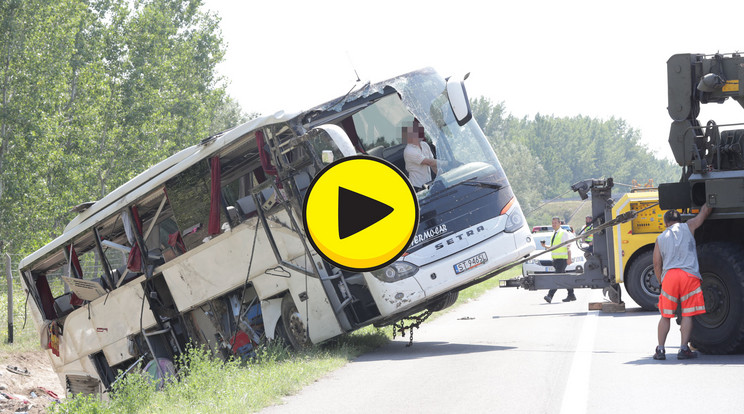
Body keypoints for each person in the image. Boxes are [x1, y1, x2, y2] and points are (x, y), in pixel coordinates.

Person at [652, 204, 712, 360]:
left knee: (665, 315)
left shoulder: (661, 238)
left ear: (666, 223)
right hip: (688, 275)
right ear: (680, 220)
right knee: (687, 314)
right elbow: (703, 213)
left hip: (670, 277)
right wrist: (709, 202)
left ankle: (660, 350)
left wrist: (662, 282)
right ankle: (684, 349)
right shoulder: (689, 226)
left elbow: (657, 263)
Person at [542, 216, 576, 303]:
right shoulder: (554, 233)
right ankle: (571, 295)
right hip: (556, 260)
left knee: (556, 278)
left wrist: (569, 258)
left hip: (562, 260)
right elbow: (554, 247)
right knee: (563, 277)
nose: (553, 224)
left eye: (555, 223)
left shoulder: (563, 233)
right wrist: (545, 246)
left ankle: (550, 295)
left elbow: (569, 246)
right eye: (552, 223)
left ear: (559, 223)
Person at [403, 119, 440, 190]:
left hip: (429, 185)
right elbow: (430, 162)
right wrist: (447, 163)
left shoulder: (424, 145)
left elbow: (433, 164)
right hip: (417, 188)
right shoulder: (409, 151)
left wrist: (441, 176)